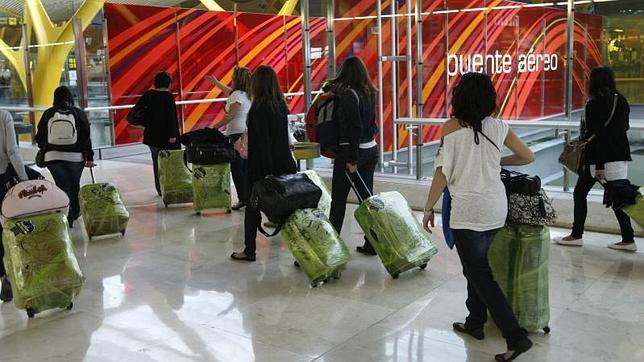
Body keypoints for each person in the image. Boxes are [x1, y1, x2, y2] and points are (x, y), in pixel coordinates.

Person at [422, 72, 535, 362]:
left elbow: (441, 172)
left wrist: (428, 206)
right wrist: (496, 158)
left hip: (468, 212)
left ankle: (516, 337)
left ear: (459, 97)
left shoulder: (450, 127)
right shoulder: (499, 127)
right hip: (496, 210)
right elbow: (527, 157)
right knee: (475, 267)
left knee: (480, 273)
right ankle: (475, 322)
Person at [556, 66, 635, 251]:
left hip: (599, 161)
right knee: (616, 199)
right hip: (619, 157)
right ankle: (627, 239)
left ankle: (578, 235)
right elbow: (625, 127)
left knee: (588, 195)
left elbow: (597, 136)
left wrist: (599, 165)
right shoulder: (621, 100)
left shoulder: (594, 104)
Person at [230, 65, 296, 262]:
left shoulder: (259, 107)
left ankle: (249, 250)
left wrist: (266, 173)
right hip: (284, 164)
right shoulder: (280, 104)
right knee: (287, 210)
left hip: (261, 167)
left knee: (252, 208)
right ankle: (301, 252)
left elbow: (263, 143)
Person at [326, 56, 379, 255]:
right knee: (366, 200)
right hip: (371, 149)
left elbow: (355, 128)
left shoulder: (348, 95)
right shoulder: (369, 92)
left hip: (351, 152)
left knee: (338, 201)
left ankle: (331, 247)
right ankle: (372, 243)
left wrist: (352, 159)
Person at [35, 86, 94, 228]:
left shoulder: (48, 113)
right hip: (76, 157)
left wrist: (47, 147)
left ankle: (67, 215)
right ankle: (75, 211)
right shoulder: (78, 113)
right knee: (74, 184)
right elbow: (86, 137)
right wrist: (89, 157)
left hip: (53, 157)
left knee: (62, 186)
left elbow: (39, 137)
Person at [206, 67, 252, 210]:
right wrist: (216, 82)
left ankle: (243, 198)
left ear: (237, 79)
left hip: (236, 135)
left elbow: (230, 115)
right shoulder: (247, 94)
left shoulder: (237, 95)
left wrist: (214, 127)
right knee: (246, 168)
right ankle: (250, 197)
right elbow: (229, 92)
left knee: (237, 168)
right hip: (247, 134)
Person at [135, 71, 181, 196]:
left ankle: (160, 188)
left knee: (157, 163)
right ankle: (170, 187)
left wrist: (147, 123)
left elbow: (138, 111)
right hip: (167, 138)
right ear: (169, 84)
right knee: (170, 163)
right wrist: (173, 135)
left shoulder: (148, 95)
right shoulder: (168, 97)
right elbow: (171, 118)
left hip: (152, 136)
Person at [0, 110, 29, 302]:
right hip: (1, 181)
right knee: (11, 227)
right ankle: (21, 272)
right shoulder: (3, 116)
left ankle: (4, 277)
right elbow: (12, 150)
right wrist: (24, 178)